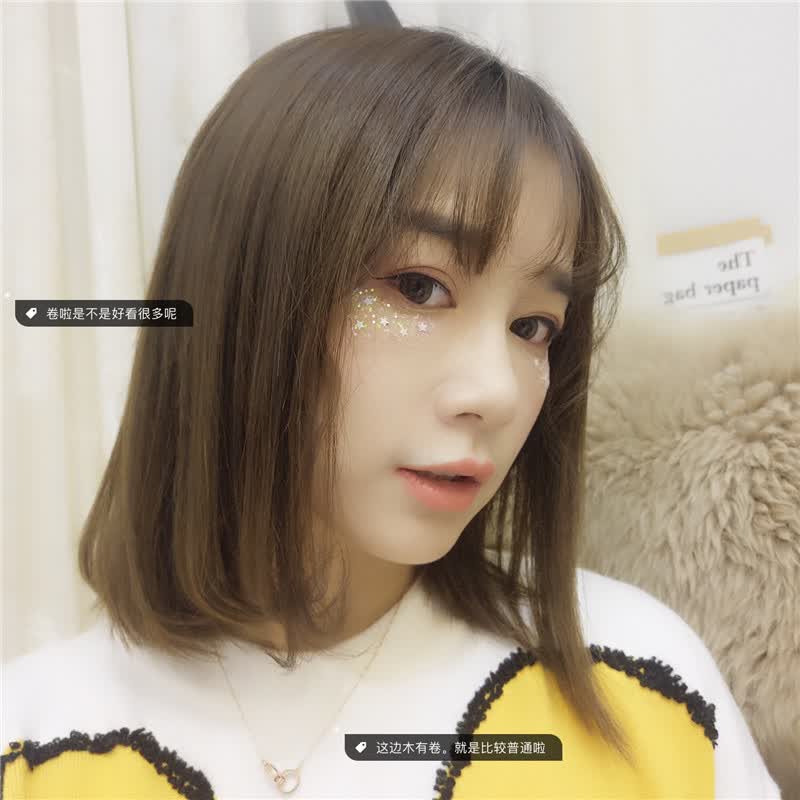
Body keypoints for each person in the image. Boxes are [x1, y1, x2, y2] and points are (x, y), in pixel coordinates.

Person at [1, 21, 781, 800]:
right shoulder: (36, 737)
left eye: (533, 327)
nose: (497, 393)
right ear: (241, 291)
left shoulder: (642, 682)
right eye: (418, 288)